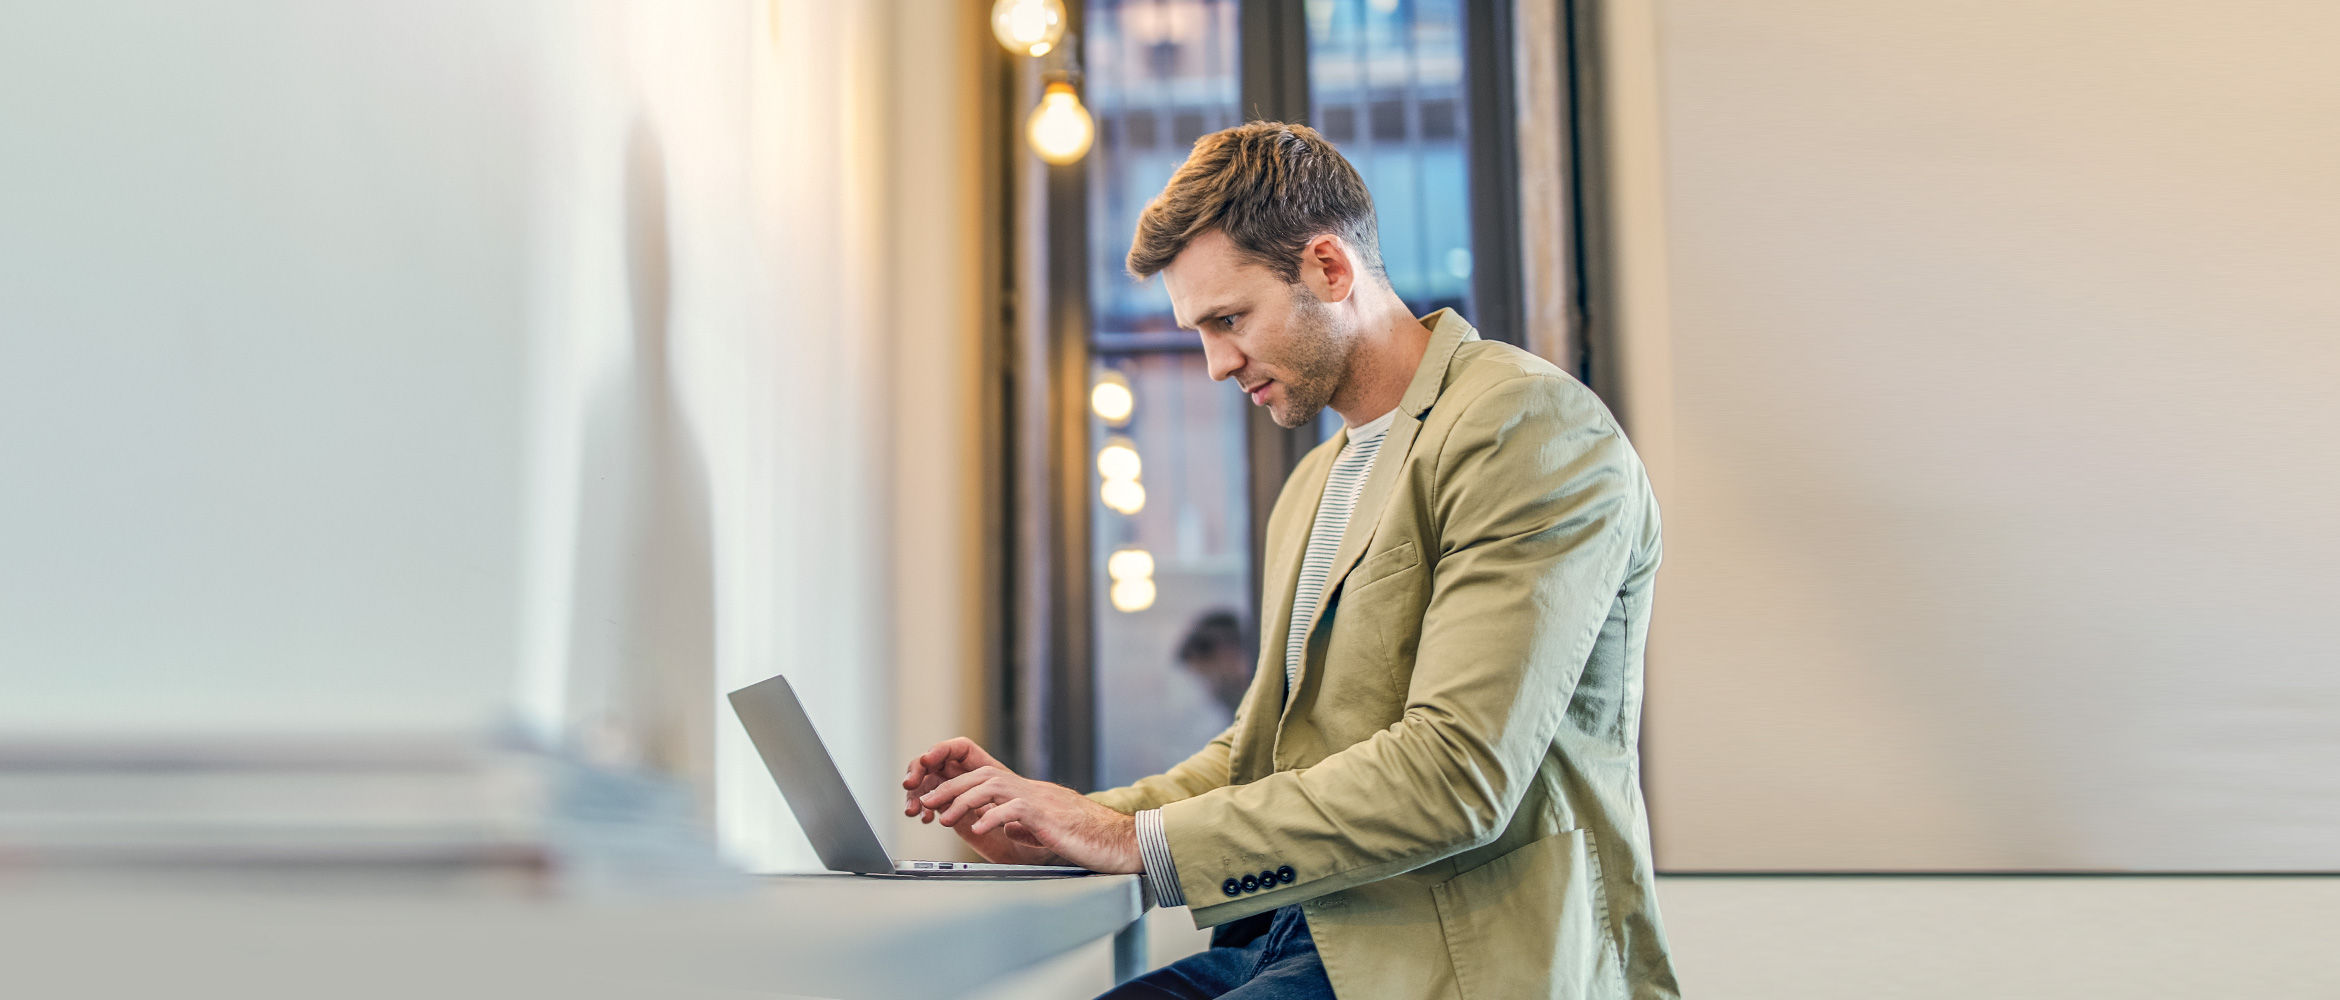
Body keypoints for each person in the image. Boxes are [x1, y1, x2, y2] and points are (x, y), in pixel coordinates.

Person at [902, 122, 1679, 1000]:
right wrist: (1069, 819)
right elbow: (1261, 751)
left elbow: (1459, 772)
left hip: (1448, 957)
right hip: (1295, 933)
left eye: (1229, 320)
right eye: (1200, 330)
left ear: (1329, 268)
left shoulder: (1526, 427)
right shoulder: (1315, 481)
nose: (1214, 364)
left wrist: (1130, 845)